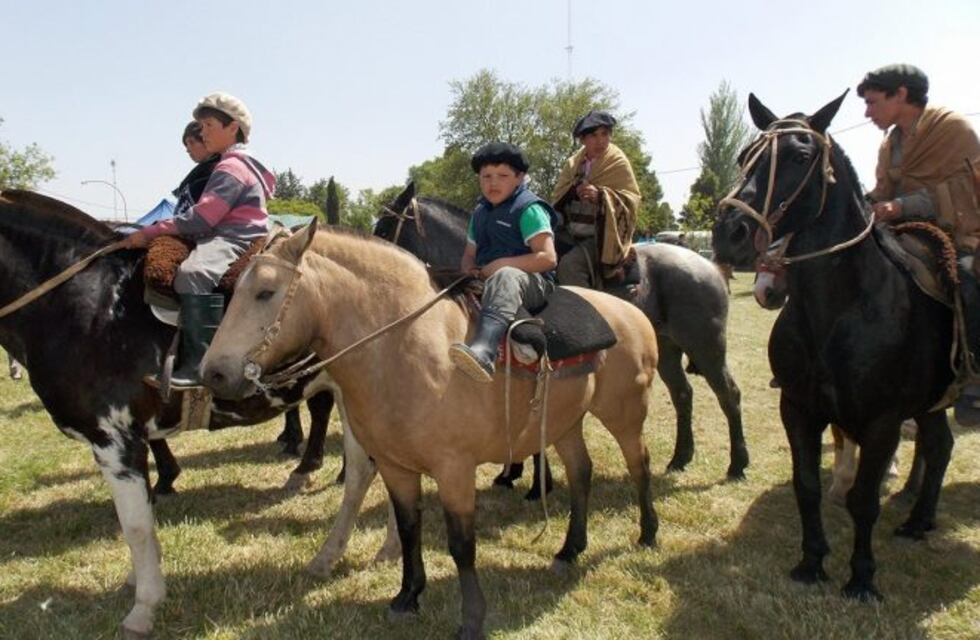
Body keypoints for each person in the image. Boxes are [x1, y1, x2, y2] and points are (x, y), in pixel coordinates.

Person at [120, 92, 276, 386]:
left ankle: (198, 366)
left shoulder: (231, 167)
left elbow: (202, 218)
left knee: (192, 274)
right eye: (201, 126)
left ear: (233, 127)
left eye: (208, 125)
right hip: (228, 232)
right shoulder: (235, 163)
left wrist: (150, 232)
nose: (202, 133)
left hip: (234, 236)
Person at [858, 63, 980, 424]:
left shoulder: (953, 129)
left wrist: (901, 206)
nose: (867, 113)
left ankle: (973, 377)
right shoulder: (889, 144)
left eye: (872, 102)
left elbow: (967, 189)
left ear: (900, 94)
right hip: (903, 231)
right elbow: (883, 191)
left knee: (967, 279)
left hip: (959, 232)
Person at [449, 142, 560, 383]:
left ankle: (484, 351)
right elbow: (469, 254)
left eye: (502, 176)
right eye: (486, 176)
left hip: (532, 282)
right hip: (489, 277)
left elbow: (548, 258)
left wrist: (500, 265)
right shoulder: (479, 213)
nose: (493, 183)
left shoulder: (529, 209)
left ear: (519, 178)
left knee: (506, 276)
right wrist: (468, 269)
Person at [552, 110, 641, 288]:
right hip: (571, 231)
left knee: (570, 266)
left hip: (601, 236)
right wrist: (574, 191)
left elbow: (631, 200)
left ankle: (583, 306)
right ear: (582, 139)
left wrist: (601, 196)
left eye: (605, 134)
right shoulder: (573, 164)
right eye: (593, 135)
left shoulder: (617, 162)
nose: (601, 141)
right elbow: (557, 198)